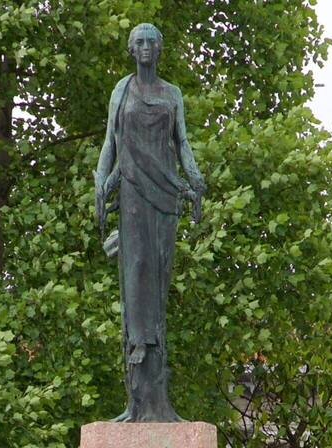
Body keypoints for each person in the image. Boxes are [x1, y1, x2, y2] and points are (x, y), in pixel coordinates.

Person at [94, 22, 206, 423]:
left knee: (156, 282)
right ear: (131, 49)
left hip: (164, 194)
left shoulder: (171, 93)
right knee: (135, 272)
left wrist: (194, 178)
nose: (144, 48)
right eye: (138, 42)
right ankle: (137, 391)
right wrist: (98, 181)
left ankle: (155, 393)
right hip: (130, 193)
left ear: (159, 49)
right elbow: (110, 141)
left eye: (151, 42)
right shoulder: (121, 92)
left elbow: (183, 143)